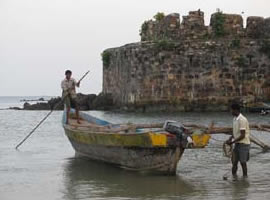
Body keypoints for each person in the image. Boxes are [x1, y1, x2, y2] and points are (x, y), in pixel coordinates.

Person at [226, 103, 250, 178]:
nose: (230, 111)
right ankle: (234, 179)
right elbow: (236, 132)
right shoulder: (234, 119)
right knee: (234, 162)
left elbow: (242, 135)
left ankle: (245, 179)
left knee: (243, 163)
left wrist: (232, 142)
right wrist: (231, 138)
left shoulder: (242, 119)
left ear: (235, 110)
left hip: (243, 144)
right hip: (237, 144)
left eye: (231, 110)